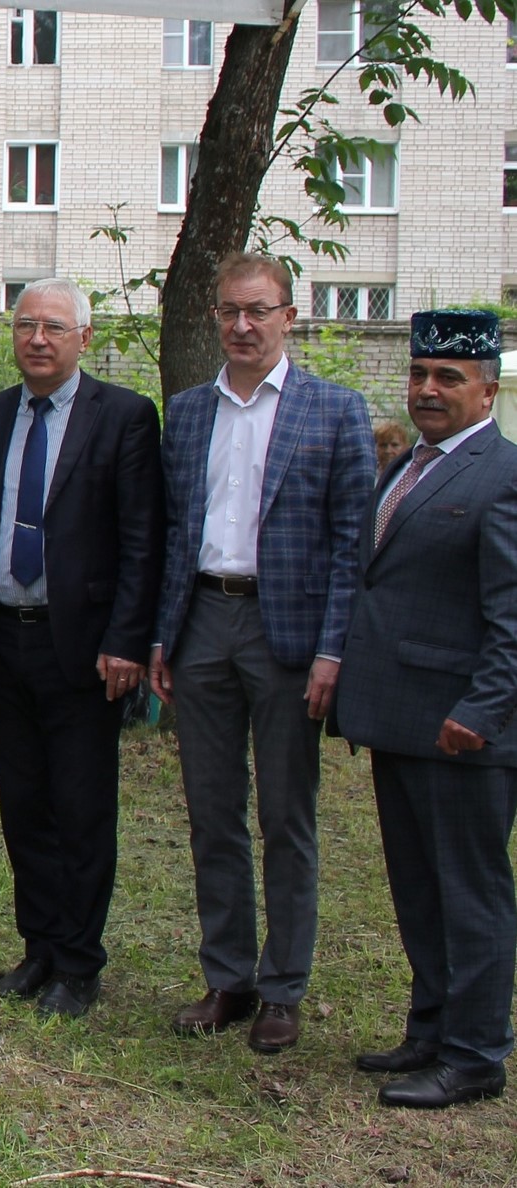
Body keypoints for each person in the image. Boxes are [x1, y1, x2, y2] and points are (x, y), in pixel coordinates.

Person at [150, 252, 375, 1054]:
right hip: (205, 622)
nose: (241, 326)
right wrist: (162, 637)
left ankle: (284, 987)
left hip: (287, 635)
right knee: (213, 814)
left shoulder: (334, 411)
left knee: (287, 816)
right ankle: (229, 978)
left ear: (289, 314)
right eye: (228, 312)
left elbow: (353, 543)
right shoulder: (187, 411)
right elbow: (177, 531)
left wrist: (333, 650)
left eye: (257, 310)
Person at [335, 309, 517, 1110]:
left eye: (448, 377)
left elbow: (513, 617)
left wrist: (482, 709)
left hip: (462, 727)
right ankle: (432, 1027)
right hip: (401, 718)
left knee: (470, 892)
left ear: (488, 389)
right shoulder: (408, 466)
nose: (428, 389)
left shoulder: (503, 477)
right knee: (417, 884)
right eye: (419, 374)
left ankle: (476, 1053)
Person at [0, 280, 164, 1019]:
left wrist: (127, 641)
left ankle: (80, 964)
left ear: (85, 335)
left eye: (54, 327)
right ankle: (39, 947)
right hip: (5, 639)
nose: (38, 339)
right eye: (26, 326)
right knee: (23, 808)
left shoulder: (124, 418)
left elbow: (143, 541)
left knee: (80, 809)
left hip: (83, 649)